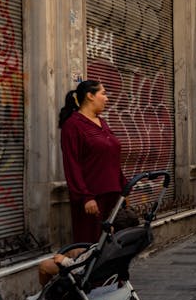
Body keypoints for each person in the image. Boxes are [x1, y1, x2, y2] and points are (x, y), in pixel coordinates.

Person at [38, 80, 128, 287]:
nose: (107, 98)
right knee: (90, 246)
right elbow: (72, 165)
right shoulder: (73, 125)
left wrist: (124, 188)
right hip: (91, 199)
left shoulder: (102, 122)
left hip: (112, 194)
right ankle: (91, 288)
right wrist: (85, 196)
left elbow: (113, 158)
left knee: (112, 244)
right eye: (103, 93)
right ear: (90, 95)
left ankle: (113, 283)